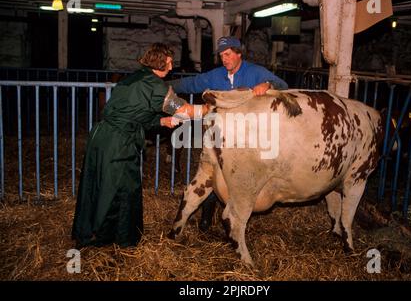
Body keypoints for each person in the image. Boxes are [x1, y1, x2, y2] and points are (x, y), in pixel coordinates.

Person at [72, 43, 207, 248]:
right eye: (169, 63)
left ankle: (92, 231)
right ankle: (116, 238)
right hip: (118, 143)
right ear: (160, 62)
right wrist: (212, 107)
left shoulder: (133, 78)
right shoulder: (156, 86)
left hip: (100, 136)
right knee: (122, 189)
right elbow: (186, 111)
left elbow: (131, 113)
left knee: (99, 184)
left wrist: (162, 122)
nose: (171, 68)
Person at [170, 36, 288, 232]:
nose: (224, 59)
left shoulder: (255, 72)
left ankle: (234, 217)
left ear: (238, 53)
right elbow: (191, 83)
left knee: (238, 177)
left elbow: (283, 86)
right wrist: (165, 86)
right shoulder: (216, 76)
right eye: (221, 56)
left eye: (228, 54)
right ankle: (206, 218)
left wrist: (268, 85)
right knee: (210, 172)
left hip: (247, 138)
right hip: (219, 136)